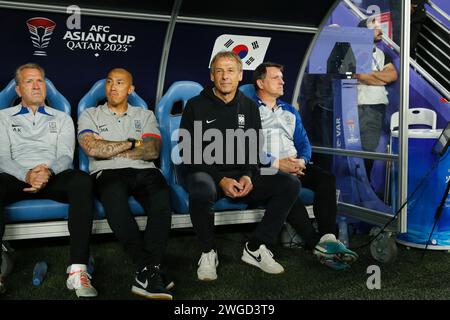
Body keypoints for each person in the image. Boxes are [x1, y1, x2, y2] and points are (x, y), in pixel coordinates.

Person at [0, 63, 97, 297]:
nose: (36, 86)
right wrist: (27, 174)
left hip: (52, 175)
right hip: (16, 175)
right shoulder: (2, 117)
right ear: (18, 89)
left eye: (40, 81)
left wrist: (47, 172)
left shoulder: (62, 117)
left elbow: (65, 154)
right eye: (29, 81)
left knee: (82, 181)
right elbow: (2, 156)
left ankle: (77, 270)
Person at [251, 62, 358, 270]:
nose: (283, 81)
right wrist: (280, 165)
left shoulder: (290, 110)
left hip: (294, 164)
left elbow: (303, 143)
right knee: (288, 185)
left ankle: (328, 237)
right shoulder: (249, 110)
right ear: (260, 83)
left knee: (326, 178)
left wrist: (301, 161)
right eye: (276, 77)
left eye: (282, 77)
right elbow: (251, 146)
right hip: (268, 167)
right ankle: (315, 244)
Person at [77, 68, 173, 300]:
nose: (113, 87)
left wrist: (111, 145)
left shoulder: (145, 114)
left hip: (144, 171)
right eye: (109, 82)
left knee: (161, 199)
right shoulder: (90, 114)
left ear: (130, 89)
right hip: (107, 173)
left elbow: (151, 151)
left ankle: (148, 270)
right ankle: (149, 268)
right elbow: (92, 148)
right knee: (115, 200)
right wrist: (133, 143)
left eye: (120, 83)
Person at [355, 17, 398, 179]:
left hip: (375, 107)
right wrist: (379, 78)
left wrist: (370, 75)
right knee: (354, 148)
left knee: (369, 148)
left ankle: (365, 184)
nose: (380, 31)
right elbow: (359, 74)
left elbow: (392, 75)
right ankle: (357, 185)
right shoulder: (353, 51)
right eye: (375, 28)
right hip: (358, 105)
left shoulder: (381, 54)